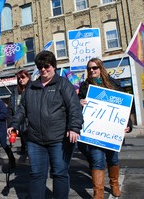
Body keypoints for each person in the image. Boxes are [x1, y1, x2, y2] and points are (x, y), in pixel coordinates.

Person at [8, 51, 83, 199]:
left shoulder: (63, 83)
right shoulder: (31, 87)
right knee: (36, 175)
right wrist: (15, 124)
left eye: (46, 66)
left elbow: (74, 106)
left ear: (53, 66)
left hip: (59, 139)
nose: (43, 69)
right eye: (40, 66)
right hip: (35, 140)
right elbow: (22, 109)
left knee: (59, 173)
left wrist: (74, 127)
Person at [77, 58, 133, 199]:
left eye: (94, 67)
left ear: (100, 68)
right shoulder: (84, 87)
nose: (92, 70)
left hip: (111, 133)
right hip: (95, 133)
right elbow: (75, 108)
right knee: (97, 160)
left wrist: (128, 125)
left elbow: (125, 109)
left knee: (113, 160)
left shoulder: (114, 84)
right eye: (89, 68)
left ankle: (114, 185)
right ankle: (98, 194)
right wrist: (79, 103)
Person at [10, 69, 31, 154]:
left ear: (28, 77)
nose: (21, 80)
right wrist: (12, 124)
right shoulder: (15, 92)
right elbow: (11, 108)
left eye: (23, 77)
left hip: (30, 124)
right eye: (19, 78)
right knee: (25, 146)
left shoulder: (33, 89)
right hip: (19, 123)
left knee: (31, 147)